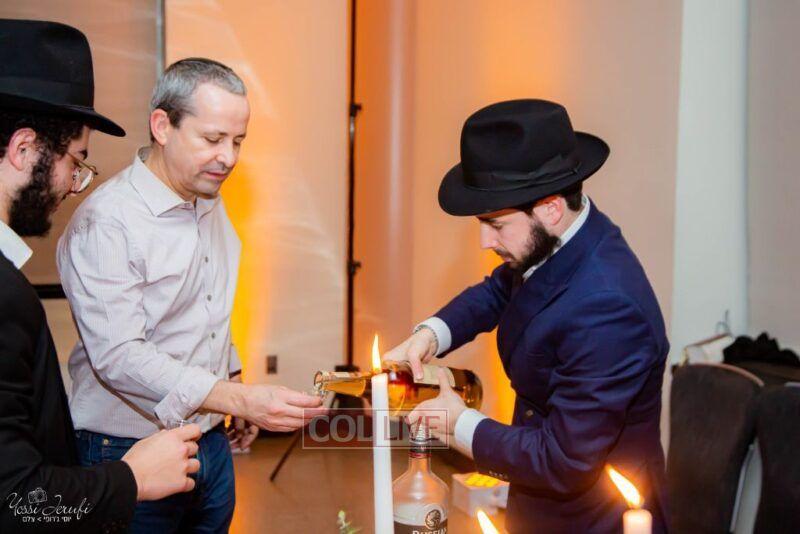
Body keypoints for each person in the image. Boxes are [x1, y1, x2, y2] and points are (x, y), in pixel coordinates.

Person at [57, 57, 325, 533]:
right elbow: (119, 355)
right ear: (162, 125)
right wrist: (238, 399)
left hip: (211, 438)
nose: (229, 157)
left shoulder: (207, 199)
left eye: (238, 141)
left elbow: (205, 307)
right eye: (213, 138)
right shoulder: (108, 222)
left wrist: (232, 380)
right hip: (127, 447)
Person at [391, 99, 669, 533]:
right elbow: (500, 289)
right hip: (536, 499)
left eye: (496, 224)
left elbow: (563, 460)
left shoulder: (609, 309)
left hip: (593, 518)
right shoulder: (563, 238)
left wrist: (459, 423)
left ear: (551, 207)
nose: (485, 241)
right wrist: (431, 334)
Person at [0, 19, 203, 532]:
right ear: (23, 150)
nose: (73, 185)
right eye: (76, 162)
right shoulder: (4, 296)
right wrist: (130, 479)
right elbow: (15, 505)